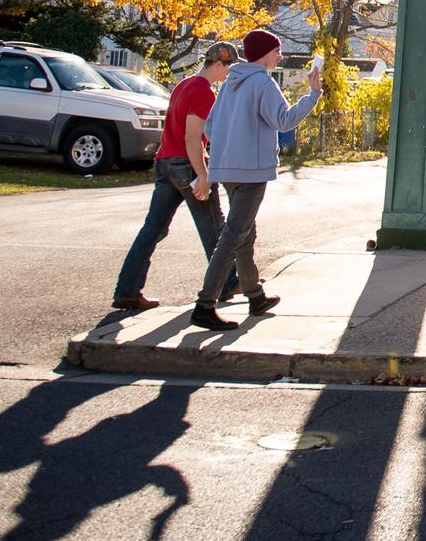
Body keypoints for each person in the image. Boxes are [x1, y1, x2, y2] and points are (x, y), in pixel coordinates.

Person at [188, 28, 321, 332]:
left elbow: (209, 127)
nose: (280, 56)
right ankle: (205, 304)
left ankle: (255, 295)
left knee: (245, 233)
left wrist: (227, 148)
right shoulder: (262, 82)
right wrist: (313, 94)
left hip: (227, 169)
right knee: (234, 235)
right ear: (264, 53)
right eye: (277, 50)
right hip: (250, 170)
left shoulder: (230, 83)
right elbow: (284, 120)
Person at [110, 42, 240, 310]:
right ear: (219, 64)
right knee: (214, 228)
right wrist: (202, 175)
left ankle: (127, 290)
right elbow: (193, 139)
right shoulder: (204, 93)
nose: (228, 73)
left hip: (164, 163)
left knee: (152, 229)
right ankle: (227, 284)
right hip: (187, 165)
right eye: (228, 67)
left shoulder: (183, 86)